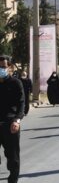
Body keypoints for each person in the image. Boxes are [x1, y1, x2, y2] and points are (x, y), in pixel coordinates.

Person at [0, 55, 25, 183]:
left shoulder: (16, 83)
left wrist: (17, 120)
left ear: (10, 68)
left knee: (13, 157)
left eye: (3, 67)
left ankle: (13, 180)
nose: (1, 69)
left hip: (10, 123)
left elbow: (21, 103)